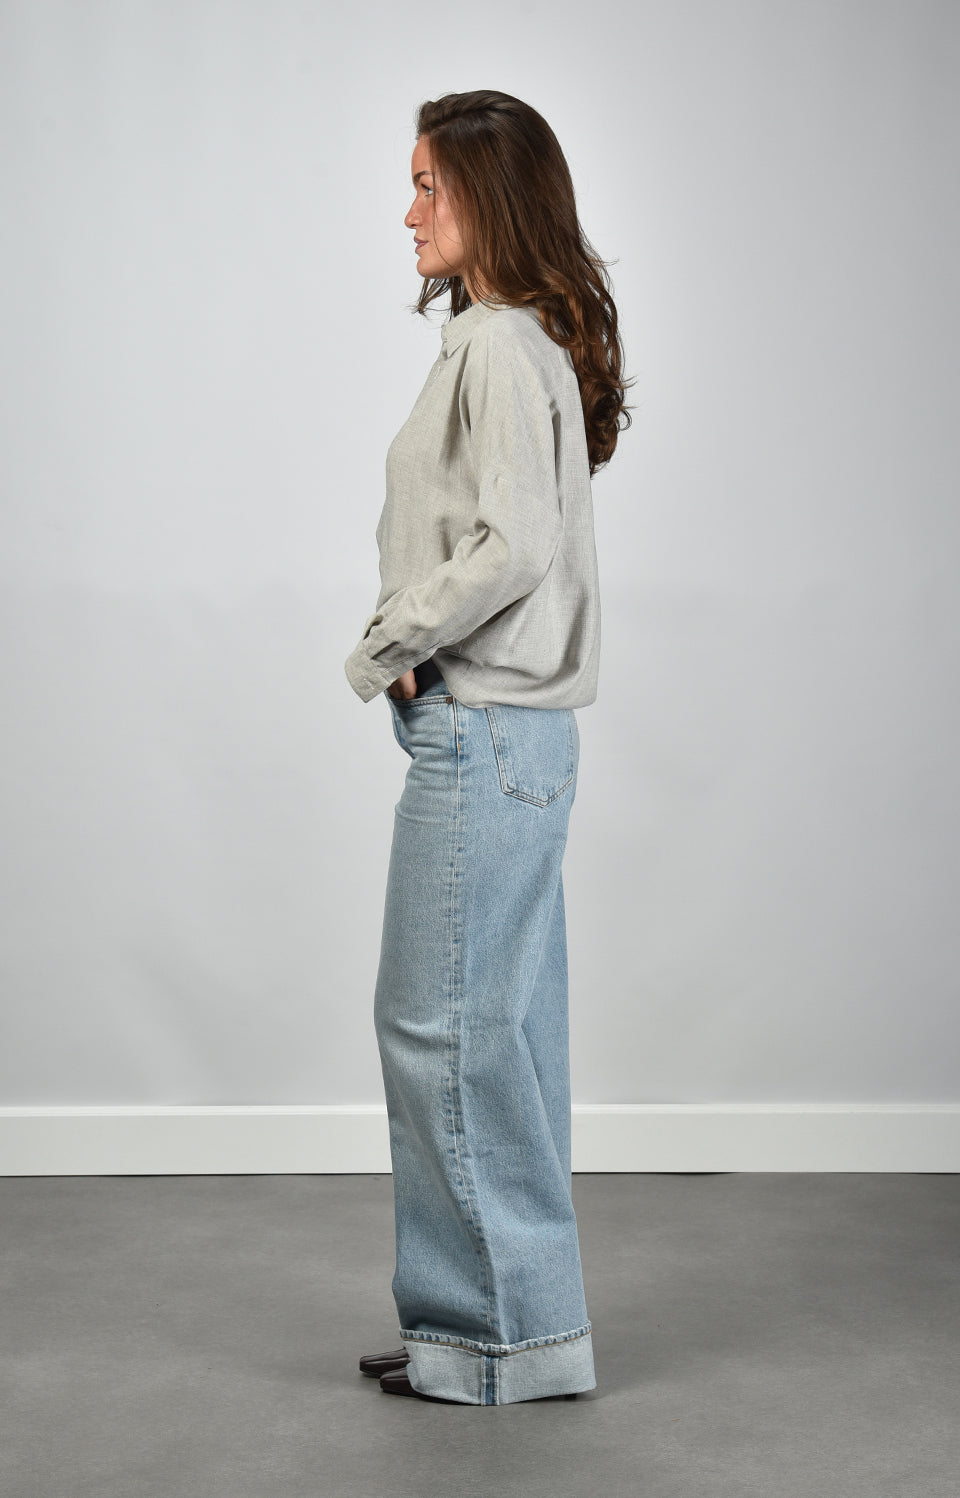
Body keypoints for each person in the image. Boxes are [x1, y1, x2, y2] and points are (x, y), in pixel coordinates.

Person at [344, 89, 632, 1405]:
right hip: (509, 736)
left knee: (441, 1030)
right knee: (489, 1035)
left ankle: (494, 1338)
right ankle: (499, 1328)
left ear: (491, 197)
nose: (408, 212)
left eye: (429, 186)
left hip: (486, 729)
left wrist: (392, 636)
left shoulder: (502, 345)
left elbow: (513, 546)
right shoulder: (501, 338)